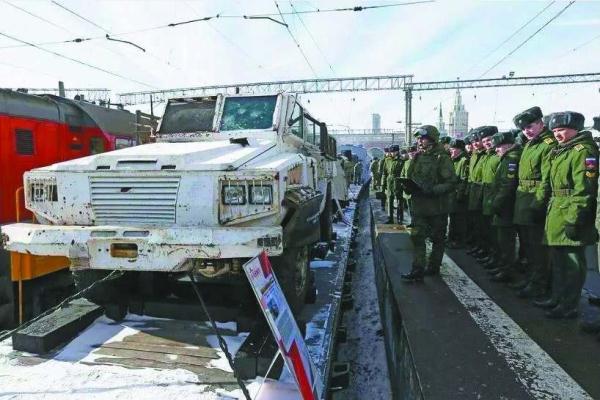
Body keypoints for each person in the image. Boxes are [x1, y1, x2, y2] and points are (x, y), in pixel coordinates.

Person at [536, 112, 599, 318]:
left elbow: (583, 190)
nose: (557, 134)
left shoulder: (583, 151)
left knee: (572, 263)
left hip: (571, 211)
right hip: (557, 210)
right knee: (559, 261)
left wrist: (574, 219)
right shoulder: (563, 150)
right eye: (554, 131)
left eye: (561, 130)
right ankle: (557, 298)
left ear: (575, 129)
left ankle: (569, 305)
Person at [510, 107, 557, 299]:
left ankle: (539, 284)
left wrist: (538, 204)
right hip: (524, 200)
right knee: (528, 245)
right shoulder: (531, 144)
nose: (526, 131)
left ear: (541, 123)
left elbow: (546, 179)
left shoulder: (547, 144)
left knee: (539, 248)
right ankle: (532, 278)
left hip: (535, 200)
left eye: (530, 126)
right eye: (523, 129)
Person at [401, 126, 456, 281]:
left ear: (432, 139)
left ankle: (434, 267)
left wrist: (433, 189)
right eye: (418, 139)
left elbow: (451, 182)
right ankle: (417, 269)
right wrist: (408, 186)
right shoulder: (417, 157)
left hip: (437, 206)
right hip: (419, 205)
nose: (419, 141)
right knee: (417, 237)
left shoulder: (442, 158)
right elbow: (411, 176)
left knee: (437, 238)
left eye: (422, 138)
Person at [487, 131, 522, 282]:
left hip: (506, 207)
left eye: (498, 147)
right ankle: (504, 267)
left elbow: (507, 185)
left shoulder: (511, 160)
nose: (496, 150)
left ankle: (507, 271)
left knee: (505, 241)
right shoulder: (508, 158)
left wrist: (496, 204)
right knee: (503, 240)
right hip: (505, 205)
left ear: (507, 145)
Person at [478, 126, 501, 268]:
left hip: (496, 197)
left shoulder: (498, 155)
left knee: (497, 233)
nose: (486, 143)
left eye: (489, 140)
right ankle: (491, 255)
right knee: (488, 229)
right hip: (486, 197)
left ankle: (496, 259)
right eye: (484, 140)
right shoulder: (487, 155)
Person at [447, 139, 469, 249]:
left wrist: (459, 195)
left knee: (459, 220)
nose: (451, 151)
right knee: (453, 218)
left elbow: (464, 180)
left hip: (459, 196)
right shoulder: (454, 160)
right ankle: (451, 238)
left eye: (453, 149)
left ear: (459, 149)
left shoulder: (464, 160)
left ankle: (458, 241)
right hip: (452, 194)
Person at [381, 145, 403, 224]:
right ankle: (390, 218)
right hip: (389, 181)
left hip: (398, 181)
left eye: (394, 152)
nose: (392, 153)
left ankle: (400, 218)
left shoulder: (401, 160)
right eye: (391, 152)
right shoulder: (387, 160)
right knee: (389, 199)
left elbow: (403, 173)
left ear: (397, 151)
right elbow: (384, 173)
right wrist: (383, 184)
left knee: (399, 200)